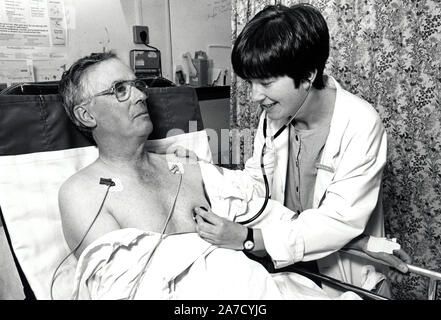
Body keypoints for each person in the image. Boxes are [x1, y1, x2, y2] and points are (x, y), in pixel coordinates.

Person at [58, 51, 369, 300]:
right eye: (119, 90)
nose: (140, 95)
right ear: (86, 114)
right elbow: (123, 290)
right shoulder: (81, 192)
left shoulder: (185, 168)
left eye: (138, 85)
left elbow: (262, 212)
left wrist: (356, 241)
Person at [189, 3, 411, 295]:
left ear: (307, 75)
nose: (256, 96)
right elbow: (258, 182)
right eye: (251, 83)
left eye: (265, 82)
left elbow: (337, 220)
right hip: (292, 268)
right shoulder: (274, 117)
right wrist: (201, 171)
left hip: (342, 269)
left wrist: (248, 238)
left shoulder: (360, 123)